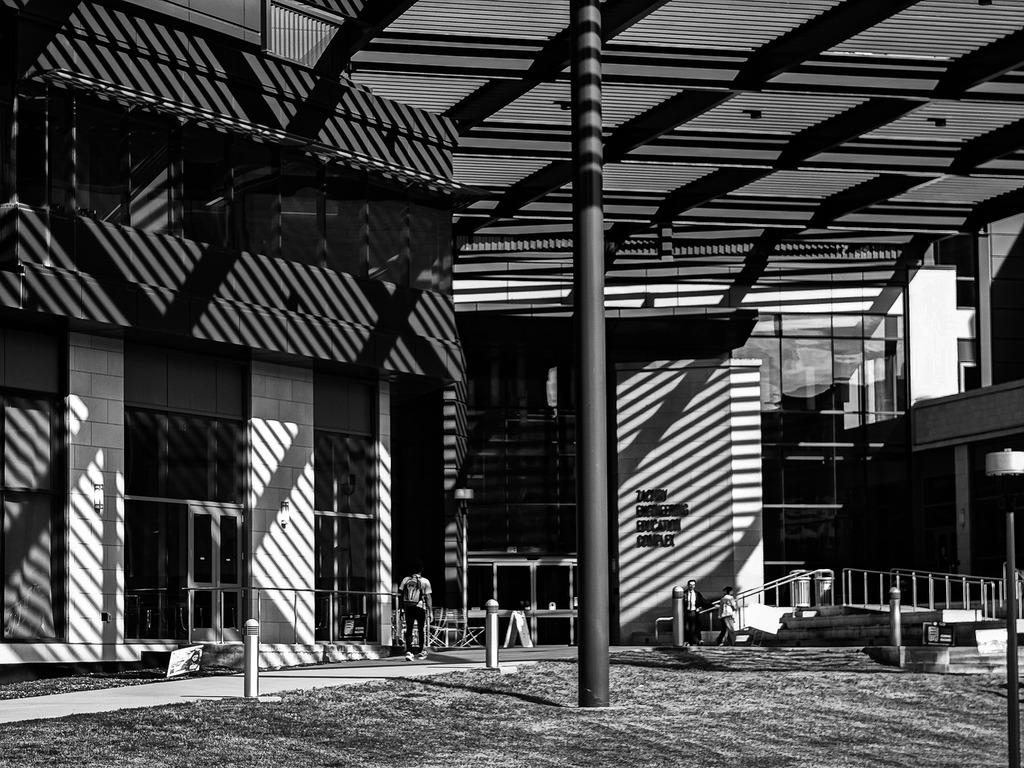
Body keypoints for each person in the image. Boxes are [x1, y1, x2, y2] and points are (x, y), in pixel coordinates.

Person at [398, 561, 433, 661]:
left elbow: (401, 595)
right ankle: (421, 651)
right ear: (421, 569)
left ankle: (409, 652)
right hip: (420, 607)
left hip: (408, 607)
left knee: (409, 629)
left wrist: (401, 609)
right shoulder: (425, 581)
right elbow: (428, 597)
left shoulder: (405, 580)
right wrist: (430, 611)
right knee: (421, 629)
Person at [682, 579, 709, 646]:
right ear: (688, 585)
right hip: (686, 612)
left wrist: (713, 605)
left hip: (694, 612)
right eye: (690, 585)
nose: (692, 586)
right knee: (686, 628)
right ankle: (690, 641)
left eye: (693, 585)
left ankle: (695, 641)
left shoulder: (697, 594)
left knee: (694, 627)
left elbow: (703, 601)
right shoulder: (684, 594)